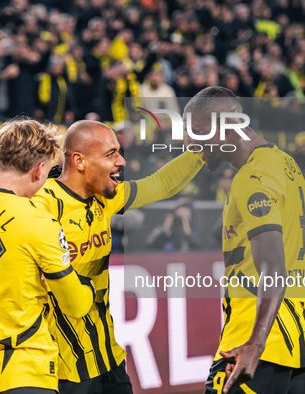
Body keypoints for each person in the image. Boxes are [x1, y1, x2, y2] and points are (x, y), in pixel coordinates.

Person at [31, 119, 204, 393]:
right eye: (111, 153)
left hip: (107, 358)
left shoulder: (106, 197)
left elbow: (161, 184)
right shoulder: (41, 206)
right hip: (63, 369)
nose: (121, 161)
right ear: (79, 161)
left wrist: (202, 152)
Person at [0, 118, 96, 394]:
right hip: (23, 372)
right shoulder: (36, 221)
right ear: (39, 170)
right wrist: (88, 287)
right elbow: (76, 305)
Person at [182, 87, 305, 394]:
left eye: (198, 132)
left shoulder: (251, 177)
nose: (191, 144)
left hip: (252, 343)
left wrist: (256, 341)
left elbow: (274, 266)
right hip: (297, 343)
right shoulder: (287, 165)